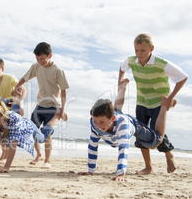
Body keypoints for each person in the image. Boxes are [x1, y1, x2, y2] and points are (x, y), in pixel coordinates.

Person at [118, 33, 188, 174]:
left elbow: (182, 77)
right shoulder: (132, 61)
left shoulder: (161, 63)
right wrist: (120, 82)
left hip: (159, 102)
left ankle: (169, 154)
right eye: (136, 50)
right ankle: (148, 167)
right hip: (142, 101)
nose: (139, 54)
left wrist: (169, 98)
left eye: (143, 50)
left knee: (156, 134)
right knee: (141, 133)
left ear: (151, 49)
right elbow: (122, 68)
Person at [78, 79, 174, 181]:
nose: (98, 125)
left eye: (102, 122)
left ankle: (165, 106)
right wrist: (90, 171)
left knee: (156, 140)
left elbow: (123, 148)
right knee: (115, 110)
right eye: (95, 121)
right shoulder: (95, 123)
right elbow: (93, 146)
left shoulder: (123, 125)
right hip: (114, 118)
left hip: (133, 125)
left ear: (112, 119)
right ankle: (122, 88)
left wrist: (121, 173)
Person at [12, 42, 69, 169]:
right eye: (37, 58)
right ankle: (39, 155)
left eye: (42, 58)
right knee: (32, 131)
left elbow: (64, 90)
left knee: (47, 135)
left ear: (50, 56)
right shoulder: (36, 67)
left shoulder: (58, 71)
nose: (39, 61)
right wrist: (16, 87)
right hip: (40, 105)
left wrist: (62, 109)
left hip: (53, 105)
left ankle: (47, 161)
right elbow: (24, 78)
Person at [0, 90, 66, 173]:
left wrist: (6, 167)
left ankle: (57, 115)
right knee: (14, 110)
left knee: (41, 139)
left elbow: (13, 146)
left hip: (27, 127)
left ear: (2, 115)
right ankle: (18, 96)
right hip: (10, 118)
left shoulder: (13, 120)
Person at [0, 57, 26, 163]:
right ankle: (4, 154)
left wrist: (18, 104)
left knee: (8, 132)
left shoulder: (10, 78)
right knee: (0, 130)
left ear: (2, 69)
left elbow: (23, 90)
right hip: (3, 109)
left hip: (15, 108)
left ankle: (6, 155)